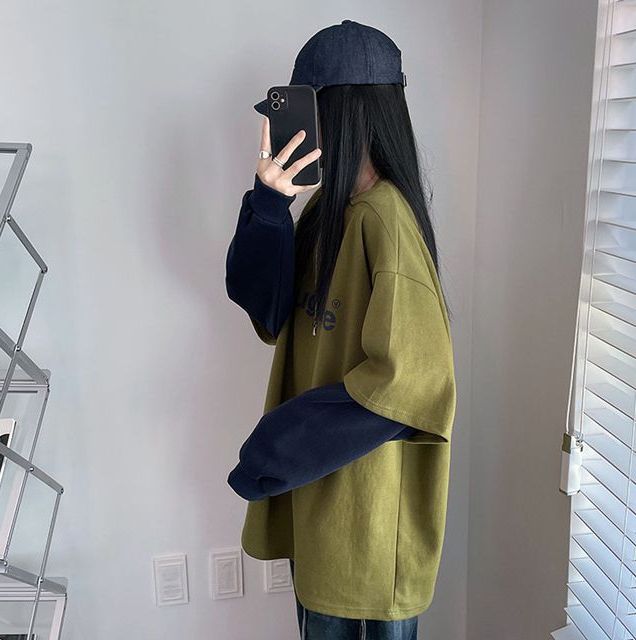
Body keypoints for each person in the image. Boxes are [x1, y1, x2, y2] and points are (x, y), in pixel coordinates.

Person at [224, 19, 456, 640]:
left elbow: (410, 385)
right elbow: (268, 311)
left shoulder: (386, 222)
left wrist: (275, 448)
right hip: (324, 509)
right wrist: (270, 204)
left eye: (305, 110)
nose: (295, 128)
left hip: (368, 531)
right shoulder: (328, 213)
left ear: (340, 111)